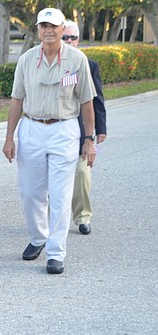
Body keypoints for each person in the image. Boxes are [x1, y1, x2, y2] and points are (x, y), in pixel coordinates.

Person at [3, 8, 97, 275]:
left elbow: (87, 101)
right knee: (30, 193)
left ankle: (56, 252)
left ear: (62, 28)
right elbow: (16, 100)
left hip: (64, 129)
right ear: (37, 29)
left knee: (60, 194)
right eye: (43, 25)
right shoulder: (26, 59)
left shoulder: (77, 60)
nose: (48, 30)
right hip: (31, 128)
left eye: (53, 26)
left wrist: (89, 139)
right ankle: (38, 237)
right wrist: (9, 137)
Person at [63, 20, 107, 235]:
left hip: (82, 130)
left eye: (72, 37)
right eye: (65, 37)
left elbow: (97, 99)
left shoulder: (89, 65)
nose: (69, 41)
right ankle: (54, 217)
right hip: (58, 128)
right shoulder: (50, 62)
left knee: (82, 173)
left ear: (78, 40)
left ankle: (82, 217)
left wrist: (100, 129)